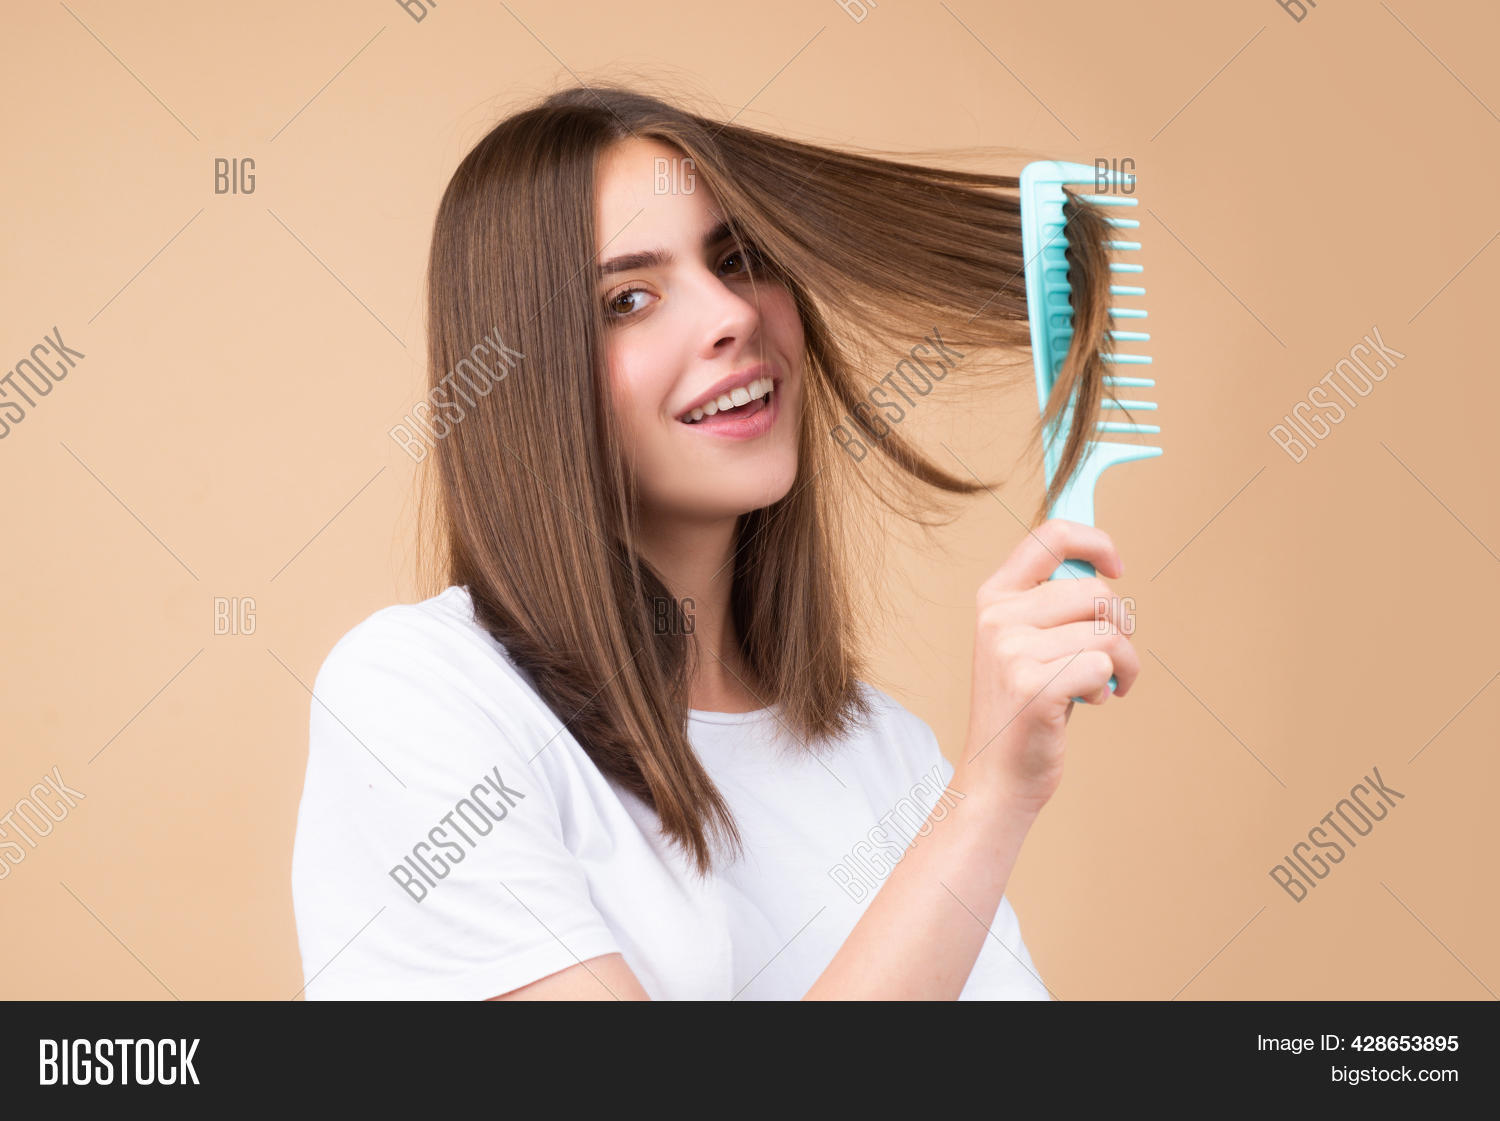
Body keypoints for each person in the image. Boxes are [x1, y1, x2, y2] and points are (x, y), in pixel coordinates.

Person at [290, 85, 1139, 1000]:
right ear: (522, 377)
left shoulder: (886, 753)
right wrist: (989, 797)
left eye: (737, 259)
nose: (732, 315)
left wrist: (980, 795)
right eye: (629, 298)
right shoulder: (421, 697)